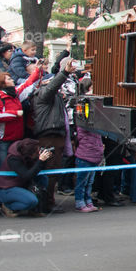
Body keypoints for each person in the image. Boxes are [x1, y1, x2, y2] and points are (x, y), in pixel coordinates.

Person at [29, 56, 77, 212]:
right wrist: (63, 73)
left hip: (57, 137)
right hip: (47, 137)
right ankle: (46, 203)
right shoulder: (41, 94)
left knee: (53, 172)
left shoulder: (56, 97)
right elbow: (52, 87)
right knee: (49, 172)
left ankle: (48, 201)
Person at [0, 138, 50, 217]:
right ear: (29, 153)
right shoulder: (13, 159)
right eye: (36, 151)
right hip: (7, 189)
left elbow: (38, 170)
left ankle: (35, 209)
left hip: (21, 185)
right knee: (31, 201)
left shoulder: (26, 155)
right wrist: (40, 160)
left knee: (43, 178)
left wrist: (44, 160)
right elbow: (26, 176)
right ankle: (8, 206)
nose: (38, 152)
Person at [72, 78, 103, 213]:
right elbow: (82, 126)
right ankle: (80, 202)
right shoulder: (82, 107)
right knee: (82, 180)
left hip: (95, 150)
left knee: (90, 180)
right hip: (85, 152)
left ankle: (88, 200)